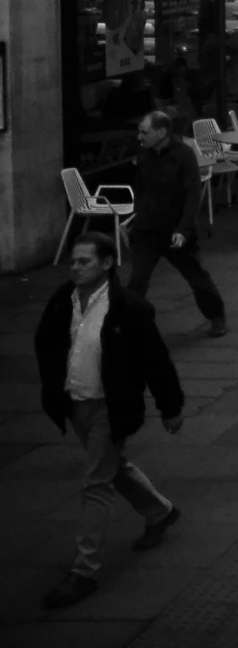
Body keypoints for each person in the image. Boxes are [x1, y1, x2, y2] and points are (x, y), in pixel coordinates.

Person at [34, 232, 185, 609]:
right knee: (111, 466)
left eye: (84, 261)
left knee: (96, 483)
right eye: (73, 261)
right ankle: (159, 511)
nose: (75, 267)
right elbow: (46, 341)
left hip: (109, 407)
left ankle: (84, 571)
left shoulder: (128, 307)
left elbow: (155, 360)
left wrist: (171, 407)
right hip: (77, 403)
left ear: (106, 264)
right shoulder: (62, 300)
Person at [126, 109, 225, 336]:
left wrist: (184, 229)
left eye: (144, 132)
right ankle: (130, 327)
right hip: (147, 230)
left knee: (196, 277)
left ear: (161, 132)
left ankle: (216, 316)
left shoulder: (184, 155)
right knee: (137, 281)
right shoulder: (144, 155)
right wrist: (134, 219)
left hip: (174, 231)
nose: (140, 137)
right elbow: (141, 191)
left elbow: (192, 195)